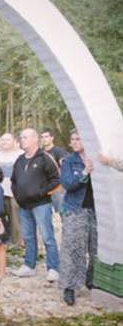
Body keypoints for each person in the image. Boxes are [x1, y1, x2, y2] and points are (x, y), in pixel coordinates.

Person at [11, 129, 61, 282]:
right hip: (24, 205)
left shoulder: (45, 158)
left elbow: (56, 180)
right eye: (21, 137)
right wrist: (18, 195)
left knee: (47, 237)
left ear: (34, 139)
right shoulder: (19, 160)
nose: (22, 140)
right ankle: (29, 266)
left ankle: (53, 268)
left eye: (25, 137)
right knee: (28, 237)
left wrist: (41, 192)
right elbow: (14, 180)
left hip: (41, 204)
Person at [59, 130, 97, 306]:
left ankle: (91, 280)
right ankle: (69, 287)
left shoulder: (97, 158)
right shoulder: (68, 161)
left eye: (78, 139)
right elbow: (68, 184)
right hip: (75, 209)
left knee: (95, 249)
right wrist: (84, 172)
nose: (74, 142)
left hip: (96, 211)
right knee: (72, 249)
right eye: (72, 139)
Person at [0, 133, 24, 246]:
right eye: (2, 140)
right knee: (0, 219)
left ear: (14, 141)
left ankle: (17, 243)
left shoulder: (21, 155)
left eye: (7, 140)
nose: (4, 142)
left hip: (15, 192)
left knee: (15, 219)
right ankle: (3, 242)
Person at [41, 128, 69, 213]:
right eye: (42, 137)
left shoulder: (59, 151)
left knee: (63, 213)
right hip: (44, 188)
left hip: (58, 188)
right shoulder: (39, 153)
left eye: (46, 136)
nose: (44, 139)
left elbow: (66, 167)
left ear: (52, 138)